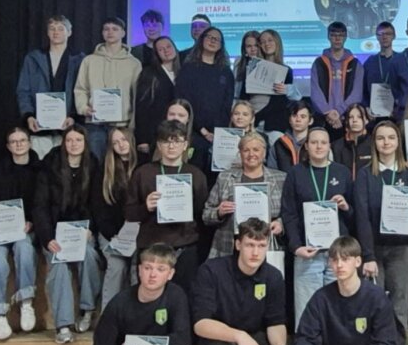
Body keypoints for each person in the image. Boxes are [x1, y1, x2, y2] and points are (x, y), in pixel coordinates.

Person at [354, 121, 408, 345]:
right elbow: (361, 217)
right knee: (371, 309)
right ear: (374, 143)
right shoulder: (365, 175)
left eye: (391, 138)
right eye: (381, 138)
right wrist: (368, 255)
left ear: (398, 142)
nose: (386, 142)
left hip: (402, 250)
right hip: (374, 251)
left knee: (399, 311)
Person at [34, 125, 103, 344]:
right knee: (59, 265)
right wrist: (47, 238)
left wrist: (91, 228)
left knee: (90, 256)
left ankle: (87, 309)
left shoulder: (93, 165)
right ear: (63, 143)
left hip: (82, 230)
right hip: (55, 232)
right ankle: (63, 325)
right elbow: (40, 206)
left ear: (85, 143)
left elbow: (96, 203)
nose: (74, 144)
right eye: (69, 140)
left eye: (78, 140)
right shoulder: (50, 165)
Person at [281, 126, 356, 325]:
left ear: (329, 146)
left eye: (323, 142)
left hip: (337, 254)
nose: (319, 146)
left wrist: (346, 207)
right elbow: (289, 213)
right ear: (306, 146)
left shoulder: (342, 172)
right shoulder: (296, 173)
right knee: (306, 312)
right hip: (308, 253)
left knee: (338, 311)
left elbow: (355, 214)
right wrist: (296, 247)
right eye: (314, 142)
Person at [124, 120, 209, 297]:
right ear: (158, 145)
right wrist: (146, 207)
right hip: (151, 247)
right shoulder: (143, 173)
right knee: (150, 299)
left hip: (185, 247)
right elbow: (129, 213)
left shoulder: (196, 175)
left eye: (177, 141)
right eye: (166, 141)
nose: (171, 146)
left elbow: (203, 215)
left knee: (183, 298)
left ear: (185, 145)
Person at [0, 127, 41, 341]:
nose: (18, 144)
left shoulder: (40, 170)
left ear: (29, 143)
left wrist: (32, 222)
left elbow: (42, 203)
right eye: (13, 141)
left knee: (24, 248)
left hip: (26, 229)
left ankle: (26, 303)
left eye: (22, 140)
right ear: (8, 146)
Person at [202, 132, 286, 258]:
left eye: (256, 150)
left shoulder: (281, 179)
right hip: (229, 248)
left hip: (266, 248)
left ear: (264, 152)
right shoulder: (225, 177)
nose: (251, 154)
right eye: (246, 150)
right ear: (240, 153)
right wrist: (219, 212)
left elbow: (291, 214)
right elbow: (206, 215)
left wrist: (280, 223)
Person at [74, 16, 142, 161]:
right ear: (102, 33)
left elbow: (137, 96)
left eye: (115, 29)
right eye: (106, 29)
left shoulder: (134, 63)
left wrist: (133, 123)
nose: (110, 32)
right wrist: (84, 108)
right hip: (95, 124)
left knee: (120, 165)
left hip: (122, 124)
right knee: (95, 163)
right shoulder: (89, 60)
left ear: (123, 33)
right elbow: (81, 89)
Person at [15, 14, 83, 158]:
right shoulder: (33, 58)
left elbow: (83, 91)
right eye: (52, 28)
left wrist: (74, 116)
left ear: (69, 32)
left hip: (68, 127)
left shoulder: (80, 59)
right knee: (40, 166)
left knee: (66, 166)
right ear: (47, 32)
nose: (56, 32)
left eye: (60, 28)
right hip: (39, 125)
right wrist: (28, 116)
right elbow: (23, 91)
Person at [174, 26, 235, 183]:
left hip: (219, 135)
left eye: (217, 39)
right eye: (209, 37)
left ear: (221, 45)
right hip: (193, 131)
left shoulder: (226, 72)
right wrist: (202, 130)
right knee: (196, 176)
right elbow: (184, 102)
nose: (212, 41)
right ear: (201, 40)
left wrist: (218, 132)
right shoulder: (188, 69)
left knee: (217, 178)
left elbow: (227, 104)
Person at [92, 126, 138, 311]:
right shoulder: (104, 170)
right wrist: (114, 235)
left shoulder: (145, 165)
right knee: (117, 265)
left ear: (131, 140)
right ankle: (107, 317)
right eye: (115, 142)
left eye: (124, 140)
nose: (121, 145)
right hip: (111, 233)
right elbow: (98, 209)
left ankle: (137, 317)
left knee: (140, 266)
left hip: (138, 233)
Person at [311, 21, 364, 142]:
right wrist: (328, 112)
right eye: (334, 35)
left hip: (347, 118)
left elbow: (356, 94)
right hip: (324, 119)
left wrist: (339, 111)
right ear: (328, 37)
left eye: (341, 35)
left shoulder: (355, 64)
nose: (337, 38)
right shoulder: (318, 63)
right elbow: (315, 92)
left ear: (346, 37)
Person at [133, 36, 180, 156]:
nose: (166, 51)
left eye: (168, 46)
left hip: (179, 132)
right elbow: (142, 107)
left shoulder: (184, 72)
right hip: (155, 133)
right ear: (156, 54)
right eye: (161, 49)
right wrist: (142, 139)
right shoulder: (149, 73)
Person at [247, 29, 295, 134]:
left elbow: (279, 102)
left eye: (270, 40)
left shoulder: (286, 70)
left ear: (277, 42)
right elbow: (244, 97)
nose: (266, 44)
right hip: (251, 122)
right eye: (263, 42)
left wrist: (257, 116)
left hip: (273, 124)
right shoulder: (252, 67)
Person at [363, 20, 399, 120]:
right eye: (381, 34)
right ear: (377, 37)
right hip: (373, 115)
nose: (384, 37)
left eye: (388, 33)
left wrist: (399, 108)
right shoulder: (370, 62)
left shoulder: (401, 60)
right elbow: (363, 89)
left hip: (396, 114)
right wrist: (366, 107)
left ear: (394, 36)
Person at [270, 99, 314, 173]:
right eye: (294, 116)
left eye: (303, 116)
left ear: (310, 121)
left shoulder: (316, 143)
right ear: (290, 120)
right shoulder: (279, 144)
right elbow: (272, 172)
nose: (298, 120)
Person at [331, 104, 372, 179]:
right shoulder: (336, 146)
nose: (354, 120)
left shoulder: (373, 144)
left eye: (359, 117)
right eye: (350, 117)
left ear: (366, 120)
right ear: (346, 121)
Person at [233, 30, 262, 100]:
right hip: (242, 103)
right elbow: (235, 91)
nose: (253, 49)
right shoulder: (239, 62)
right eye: (249, 46)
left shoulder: (268, 63)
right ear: (244, 49)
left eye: (256, 45)